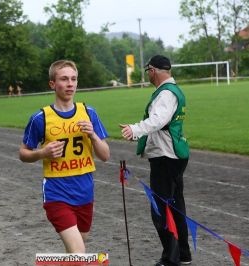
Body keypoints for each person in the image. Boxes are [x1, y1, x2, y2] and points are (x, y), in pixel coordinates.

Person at [19, 60, 110, 253]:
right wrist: (42, 153)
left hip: (85, 193)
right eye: (64, 79)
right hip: (57, 194)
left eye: (74, 79)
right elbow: (23, 153)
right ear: (52, 84)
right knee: (79, 254)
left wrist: (93, 135)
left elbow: (105, 155)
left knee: (74, 254)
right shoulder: (41, 118)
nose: (70, 84)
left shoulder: (89, 113)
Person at [120, 55, 192, 266]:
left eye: (148, 71)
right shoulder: (173, 90)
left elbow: (158, 121)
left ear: (153, 70)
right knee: (176, 206)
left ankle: (171, 258)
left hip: (165, 156)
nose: (148, 75)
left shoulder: (166, 93)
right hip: (174, 155)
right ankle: (183, 254)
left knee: (160, 209)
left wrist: (134, 130)